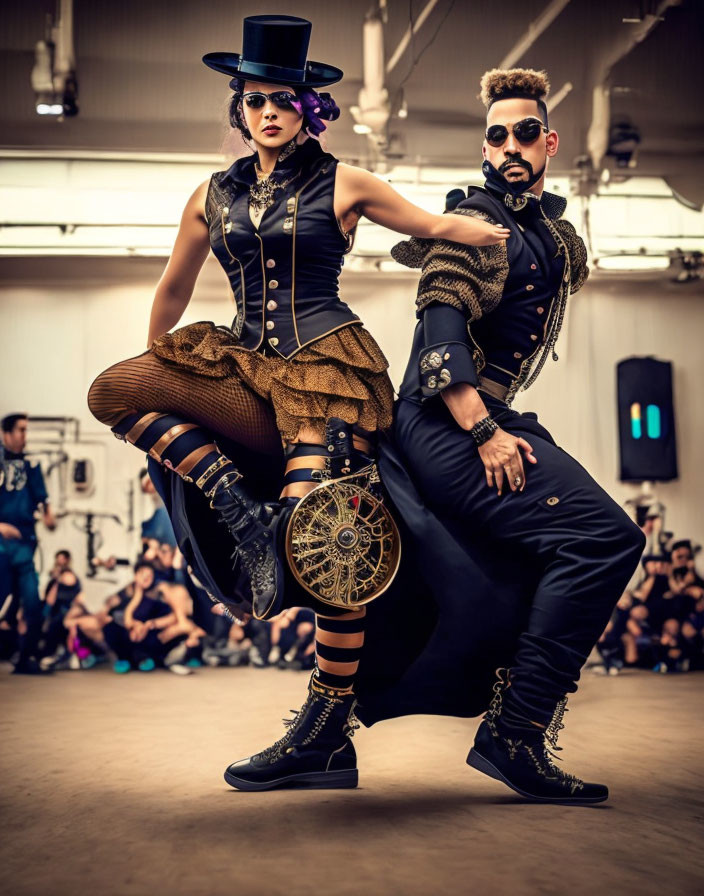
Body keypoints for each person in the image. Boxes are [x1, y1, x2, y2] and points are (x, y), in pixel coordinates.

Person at [86, 15, 508, 788]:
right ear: (240, 110)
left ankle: (324, 726)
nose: (268, 112)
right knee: (113, 390)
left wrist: (500, 234)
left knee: (330, 544)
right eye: (253, 101)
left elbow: (431, 222)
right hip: (246, 372)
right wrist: (162, 358)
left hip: (328, 376)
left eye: (283, 99)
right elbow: (175, 287)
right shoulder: (211, 196)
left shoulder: (342, 181)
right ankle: (240, 514)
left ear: (307, 107)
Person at [388, 67, 645, 803]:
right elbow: (439, 330)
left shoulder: (543, 232)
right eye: (496, 134)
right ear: (485, 146)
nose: (509, 144)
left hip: (491, 416)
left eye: (524, 132)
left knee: (586, 541)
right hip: (445, 421)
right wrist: (483, 432)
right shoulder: (478, 223)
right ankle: (517, 730)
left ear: (549, 142)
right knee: (608, 538)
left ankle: (516, 720)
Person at [0, 412, 57, 674]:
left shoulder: (31, 465)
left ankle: (26, 659)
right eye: (20, 430)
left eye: (26, 430)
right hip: (1, 545)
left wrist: (48, 514)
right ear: (6, 433)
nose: (25, 435)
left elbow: (43, 499)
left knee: (33, 603)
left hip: (24, 545)